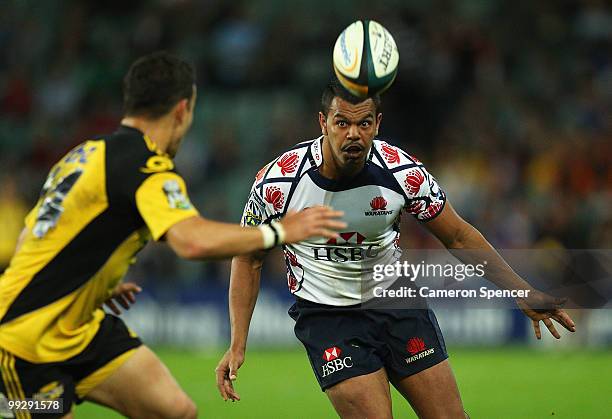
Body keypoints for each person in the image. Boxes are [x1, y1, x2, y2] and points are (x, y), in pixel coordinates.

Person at [0, 51, 346, 419]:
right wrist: (280, 230)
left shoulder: (85, 154)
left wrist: (88, 282)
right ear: (182, 110)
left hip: (81, 328)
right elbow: (192, 240)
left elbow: (32, 239)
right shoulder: (145, 167)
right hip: (27, 339)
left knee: (174, 410)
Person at [215, 80, 577, 418]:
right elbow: (249, 257)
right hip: (328, 318)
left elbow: (458, 236)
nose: (353, 134)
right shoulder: (278, 182)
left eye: (364, 123)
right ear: (322, 122)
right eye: (342, 123)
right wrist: (238, 342)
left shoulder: (402, 173)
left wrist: (522, 290)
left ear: (377, 124)